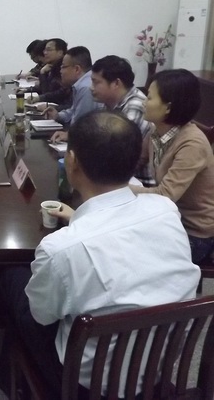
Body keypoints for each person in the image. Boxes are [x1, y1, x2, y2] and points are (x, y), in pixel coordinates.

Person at [0, 110, 200, 398]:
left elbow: (41, 316)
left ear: (72, 162)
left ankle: (11, 378)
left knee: (13, 279)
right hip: (157, 370)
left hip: (88, 386)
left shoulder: (60, 248)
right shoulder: (166, 211)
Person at [130, 69, 214, 263]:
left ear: (168, 107)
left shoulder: (192, 144)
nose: (143, 102)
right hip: (169, 218)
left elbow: (166, 195)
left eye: (149, 98)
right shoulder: (156, 131)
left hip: (194, 232)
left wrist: (122, 188)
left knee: (135, 256)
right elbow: (136, 160)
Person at [90, 55, 153, 185]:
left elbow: (122, 155)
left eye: (96, 82)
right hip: (117, 175)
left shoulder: (136, 106)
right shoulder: (109, 102)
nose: (91, 87)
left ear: (116, 83)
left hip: (138, 182)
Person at [44, 46, 101, 140]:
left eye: (63, 67)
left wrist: (68, 135)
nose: (60, 71)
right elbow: (73, 111)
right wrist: (58, 115)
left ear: (77, 69)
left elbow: (81, 126)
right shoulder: (80, 84)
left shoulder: (85, 87)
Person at [37, 38, 70, 105]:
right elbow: (45, 88)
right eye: (45, 50)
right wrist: (25, 90)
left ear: (60, 53)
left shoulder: (64, 69)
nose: (45, 53)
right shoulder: (51, 66)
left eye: (49, 50)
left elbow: (60, 92)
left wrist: (42, 73)